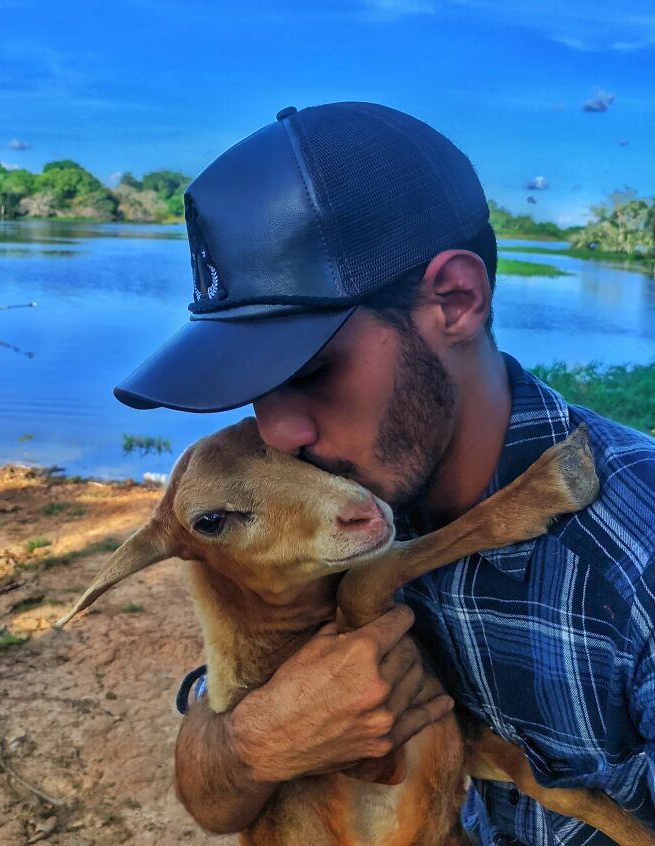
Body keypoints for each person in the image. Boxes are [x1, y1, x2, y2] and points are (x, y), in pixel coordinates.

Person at [114, 103, 655, 844]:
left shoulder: (635, 567)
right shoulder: (327, 512)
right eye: (253, 389)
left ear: (456, 300)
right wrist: (258, 741)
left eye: (312, 370)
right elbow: (215, 797)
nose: (277, 434)